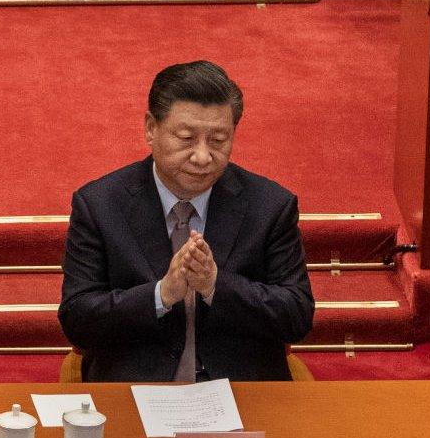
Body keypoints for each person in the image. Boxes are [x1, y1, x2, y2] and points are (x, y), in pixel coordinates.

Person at [59, 60, 314, 382]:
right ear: (151, 128)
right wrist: (162, 294)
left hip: (241, 390)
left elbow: (297, 318)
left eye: (219, 140)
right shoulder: (100, 204)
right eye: (186, 138)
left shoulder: (270, 205)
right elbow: (78, 320)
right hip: (136, 388)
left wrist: (214, 286)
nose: (203, 157)